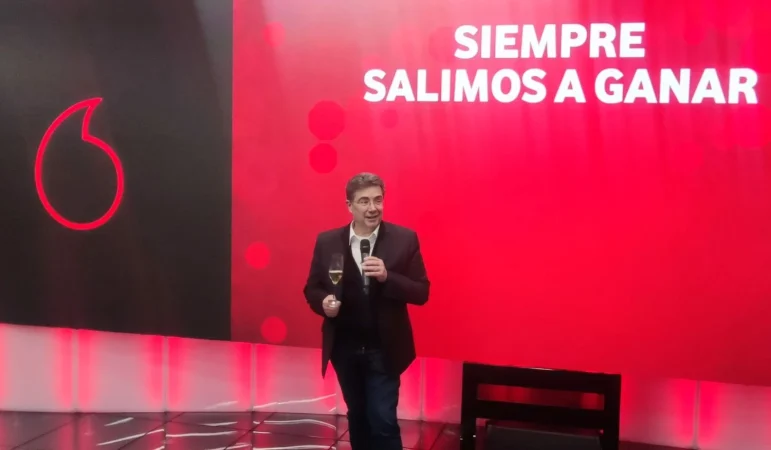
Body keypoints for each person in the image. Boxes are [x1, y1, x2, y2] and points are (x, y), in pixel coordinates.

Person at [303, 172, 430, 450]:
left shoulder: (404, 239)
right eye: (364, 201)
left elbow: (422, 292)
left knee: (383, 419)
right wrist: (323, 303)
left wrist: (388, 277)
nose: (373, 208)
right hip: (344, 348)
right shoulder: (327, 242)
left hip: (384, 348)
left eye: (378, 200)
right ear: (350, 205)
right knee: (358, 416)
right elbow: (312, 288)